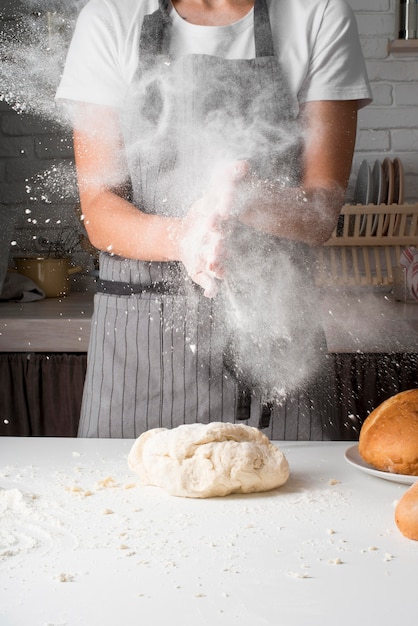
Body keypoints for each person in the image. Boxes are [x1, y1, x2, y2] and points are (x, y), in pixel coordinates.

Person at [56, 0, 372, 439]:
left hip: (276, 350)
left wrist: (242, 198)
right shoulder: (112, 16)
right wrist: (183, 237)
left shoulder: (316, 13)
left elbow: (320, 213)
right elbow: (100, 208)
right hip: (140, 354)